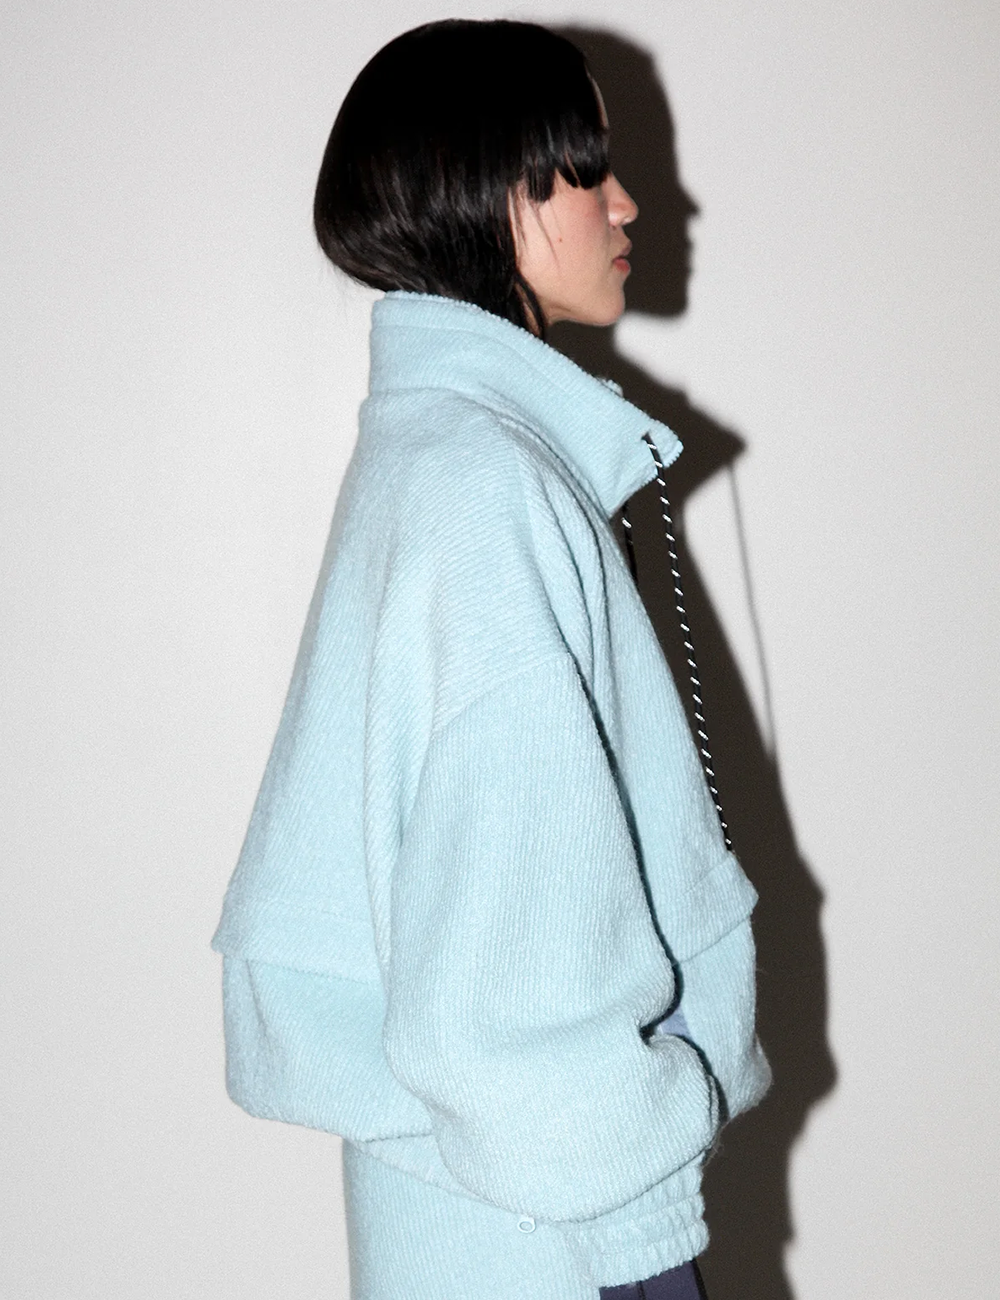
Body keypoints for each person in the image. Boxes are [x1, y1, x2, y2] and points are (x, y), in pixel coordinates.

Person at [211, 19, 771, 1300]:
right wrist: (637, 1183)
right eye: (586, 167)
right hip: (560, 1226)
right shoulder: (482, 486)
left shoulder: (444, 459)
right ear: (485, 188)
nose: (627, 203)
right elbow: (508, 956)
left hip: (486, 1218)